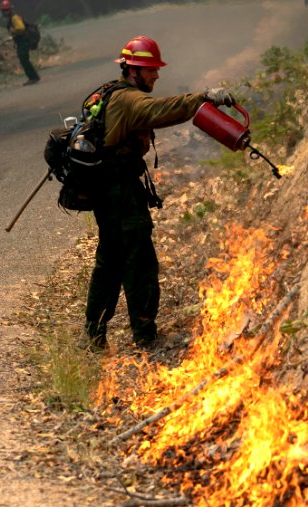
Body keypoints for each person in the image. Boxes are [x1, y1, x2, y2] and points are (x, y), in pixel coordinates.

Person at [81, 35, 234, 350]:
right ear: (133, 70)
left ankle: (93, 336)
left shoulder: (106, 92)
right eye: (150, 70)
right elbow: (162, 110)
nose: (156, 75)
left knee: (109, 260)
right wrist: (204, 97)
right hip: (119, 192)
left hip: (105, 190)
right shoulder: (130, 100)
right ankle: (145, 336)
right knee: (139, 261)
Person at [0, 0, 40, 86]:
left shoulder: (14, 17)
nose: (5, 12)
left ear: (10, 9)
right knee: (24, 59)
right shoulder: (11, 17)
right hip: (21, 41)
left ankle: (33, 78)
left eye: (7, 10)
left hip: (23, 41)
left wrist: (13, 32)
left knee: (24, 59)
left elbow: (21, 28)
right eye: (4, 10)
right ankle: (34, 77)